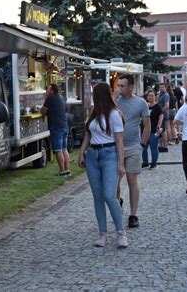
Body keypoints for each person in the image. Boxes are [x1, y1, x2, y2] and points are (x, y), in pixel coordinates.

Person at [77, 82, 128, 248]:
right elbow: (87, 134)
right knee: (97, 196)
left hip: (109, 155)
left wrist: (121, 163)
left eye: (94, 94)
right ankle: (103, 234)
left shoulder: (114, 114)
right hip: (93, 155)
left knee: (109, 194)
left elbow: (119, 140)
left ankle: (121, 232)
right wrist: (81, 153)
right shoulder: (94, 113)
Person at [116, 74, 150, 228]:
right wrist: (113, 98)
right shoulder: (114, 101)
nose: (120, 88)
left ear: (131, 86)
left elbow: (147, 125)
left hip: (133, 146)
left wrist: (142, 144)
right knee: (115, 180)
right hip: (116, 147)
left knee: (131, 179)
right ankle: (118, 200)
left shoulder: (141, 103)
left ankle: (133, 215)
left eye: (123, 85)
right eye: (119, 85)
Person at [41, 84, 70, 177]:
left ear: (52, 90)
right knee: (64, 149)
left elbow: (43, 111)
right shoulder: (61, 98)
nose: (47, 91)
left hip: (56, 127)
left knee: (58, 150)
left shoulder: (50, 99)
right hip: (64, 125)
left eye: (48, 89)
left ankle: (62, 171)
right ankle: (67, 170)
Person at [142, 89, 163, 169]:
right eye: (149, 96)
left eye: (152, 96)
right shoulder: (145, 106)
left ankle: (154, 162)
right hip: (144, 130)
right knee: (143, 147)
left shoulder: (157, 106)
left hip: (154, 129)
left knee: (153, 147)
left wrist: (159, 126)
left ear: (155, 97)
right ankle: (145, 162)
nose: (150, 97)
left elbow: (161, 116)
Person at [157, 82, 170, 152]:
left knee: (163, 130)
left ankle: (165, 146)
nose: (161, 88)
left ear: (165, 87)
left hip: (163, 115)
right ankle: (161, 145)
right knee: (161, 130)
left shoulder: (165, 95)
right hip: (161, 115)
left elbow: (167, 106)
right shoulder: (160, 94)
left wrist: (159, 111)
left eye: (163, 87)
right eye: (160, 87)